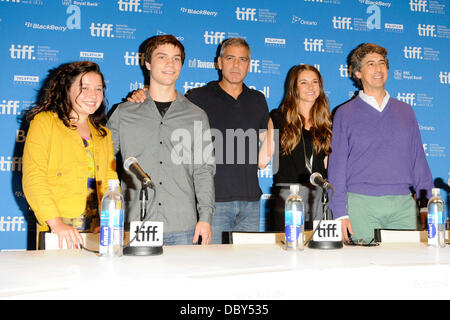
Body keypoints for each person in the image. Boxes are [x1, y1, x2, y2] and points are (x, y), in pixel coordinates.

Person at [129, 37, 269, 244]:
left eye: (243, 59)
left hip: (251, 203)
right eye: (230, 58)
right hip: (213, 203)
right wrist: (142, 95)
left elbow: (264, 152)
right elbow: (163, 109)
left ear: (249, 64)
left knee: (246, 267)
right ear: (219, 62)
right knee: (210, 268)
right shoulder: (197, 97)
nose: (236, 65)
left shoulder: (258, 99)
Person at [108, 35, 215, 246]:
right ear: (147, 63)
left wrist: (205, 217)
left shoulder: (196, 115)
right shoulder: (124, 112)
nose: (170, 64)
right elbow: (100, 162)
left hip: (183, 226)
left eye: (176, 59)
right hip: (136, 224)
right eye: (162, 57)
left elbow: (203, 170)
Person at [328, 43, 433, 244]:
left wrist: (426, 205)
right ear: (357, 72)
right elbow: (337, 167)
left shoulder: (406, 111)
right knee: (365, 270)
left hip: (403, 205)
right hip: (360, 205)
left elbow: (418, 160)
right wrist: (340, 212)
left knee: (407, 269)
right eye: (370, 64)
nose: (378, 69)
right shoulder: (344, 113)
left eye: (382, 63)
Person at [22, 61, 118, 249]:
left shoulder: (103, 134)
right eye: (85, 88)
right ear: (66, 89)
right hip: (58, 228)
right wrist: (56, 223)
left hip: (97, 229)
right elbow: (34, 177)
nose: (93, 95)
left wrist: (110, 222)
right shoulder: (45, 122)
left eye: (99, 89)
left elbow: (110, 180)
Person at [259, 64, 332, 230]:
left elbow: (326, 164)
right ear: (294, 88)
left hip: (319, 196)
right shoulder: (279, 118)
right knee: (290, 249)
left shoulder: (326, 122)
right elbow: (262, 161)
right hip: (289, 195)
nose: (311, 87)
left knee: (319, 252)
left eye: (315, 82)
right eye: (303, 82)